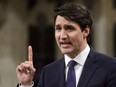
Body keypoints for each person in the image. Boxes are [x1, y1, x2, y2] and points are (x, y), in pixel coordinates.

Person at [16, 2, 116, 87]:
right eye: (58, 29)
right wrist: (26, 84)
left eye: (69, 28)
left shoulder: (111, 67)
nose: (62, 36)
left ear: (86, 31)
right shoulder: (48, 72)